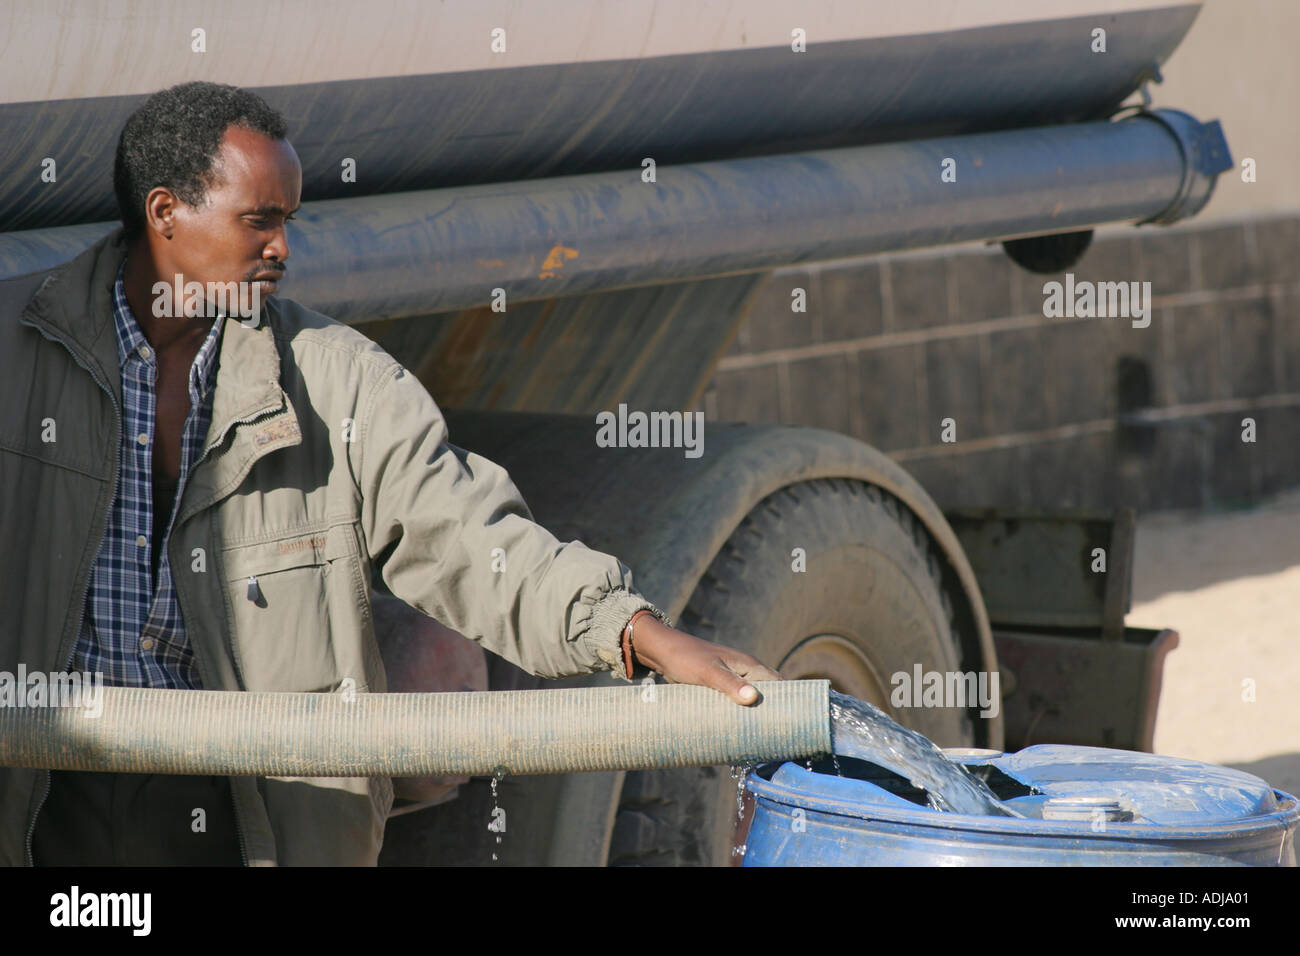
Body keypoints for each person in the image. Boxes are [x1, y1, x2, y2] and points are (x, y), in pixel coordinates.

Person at [0, 81, 780, 866]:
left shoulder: (341, 384)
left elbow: (474, 540)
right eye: (258, 220)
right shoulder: (16, 350)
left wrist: (638, 633)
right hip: (39, 796)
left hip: (244, 816)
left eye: (288, 221)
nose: (283, 248)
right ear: (165, 213)